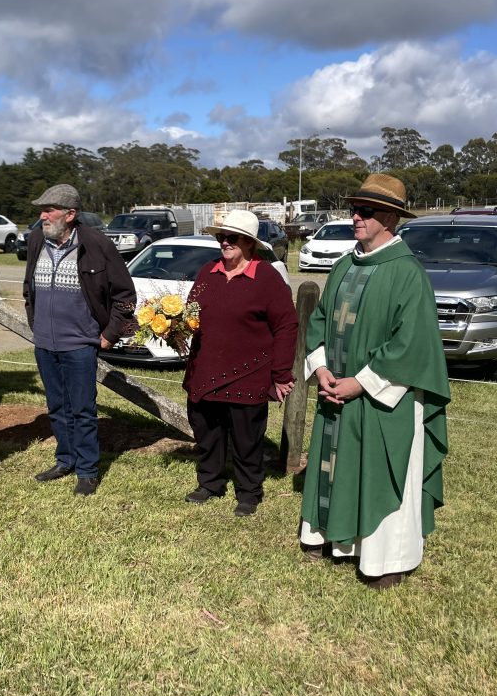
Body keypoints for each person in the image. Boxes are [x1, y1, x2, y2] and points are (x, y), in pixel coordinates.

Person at [298, 173, 450, 589]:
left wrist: (360, 383)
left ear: (390, 218)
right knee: (336, 463)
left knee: (382, 469)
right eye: (354, 209)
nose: (355, 217)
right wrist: (322, 369)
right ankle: (330, 536)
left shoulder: (408, 273)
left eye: (366, 211)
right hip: (335, 390)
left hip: (386, 399)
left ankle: (387, 559)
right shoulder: (344, 266)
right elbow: (321, 321)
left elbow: (411, 344)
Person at [183, 209, 298, 517]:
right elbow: (191, 311)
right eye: (222, 237)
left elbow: (286, 326)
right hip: (206, 368)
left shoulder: (267, 277)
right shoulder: (208, 271)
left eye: (232, 238)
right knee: (207, 431)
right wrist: (175, 326)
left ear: (248, 243)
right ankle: (210, 483)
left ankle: (248, 492)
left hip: (249, 372)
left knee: (247, 439)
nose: (225, 242)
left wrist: (280, 373)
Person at [23, 184, 136, 496]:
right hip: (45, 344)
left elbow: (125, 295)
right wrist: (35, 324)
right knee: (56, 406)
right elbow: (28, 287)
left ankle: (87, 470)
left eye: (49, 210)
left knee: (83, 410)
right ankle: (65, 459)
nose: (42, 216)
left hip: (80, 345)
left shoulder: (97, 244)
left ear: (70, 214)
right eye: (41, 210)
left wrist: (110, 334)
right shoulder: (36, 240)